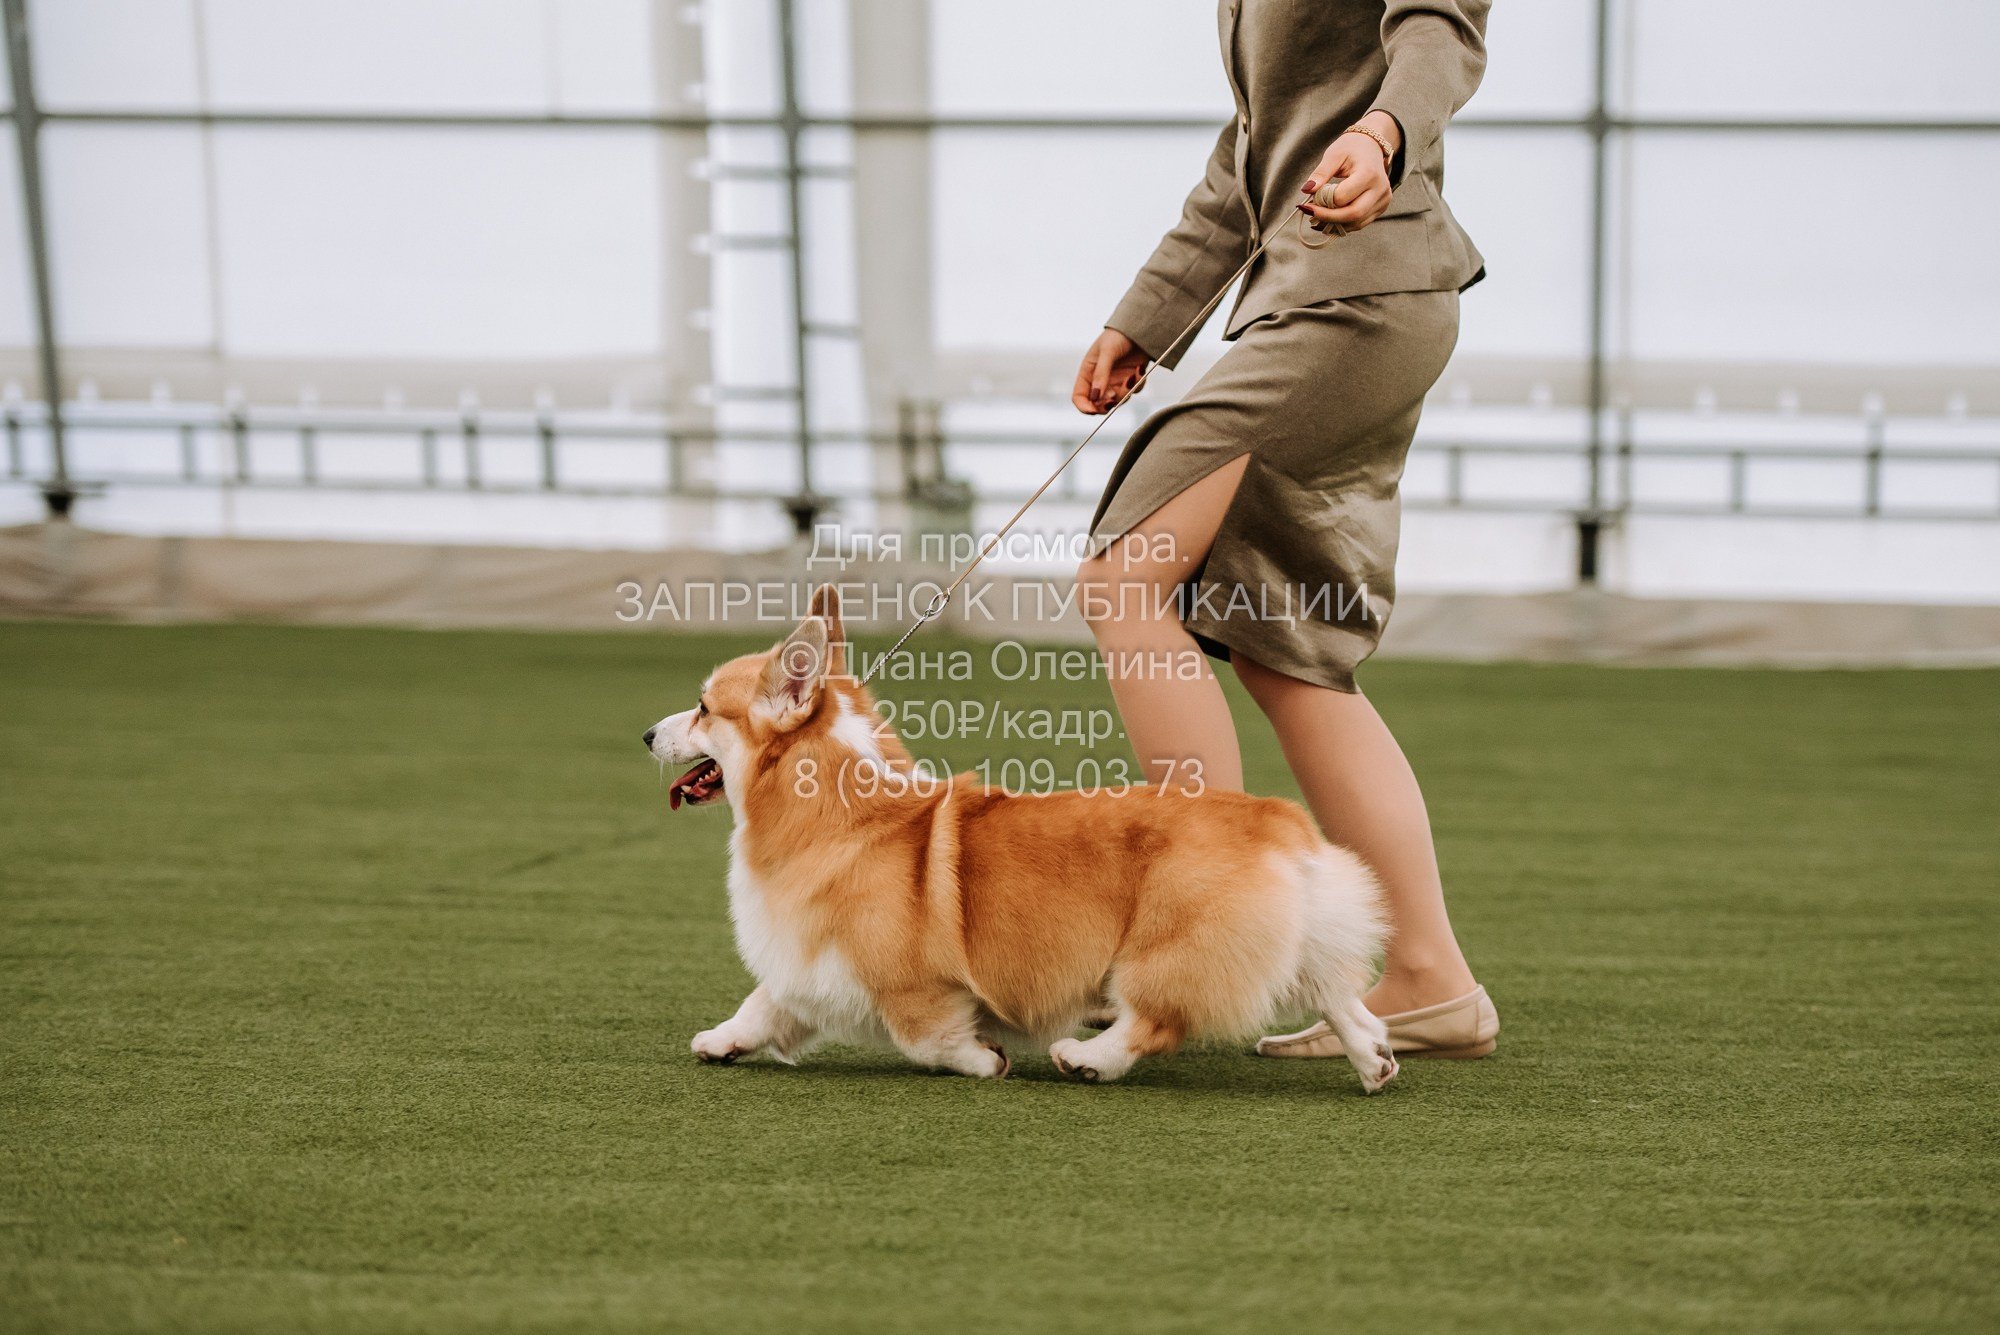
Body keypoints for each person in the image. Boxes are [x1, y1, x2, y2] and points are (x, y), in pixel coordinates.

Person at [1071, 0, 1499, 1059]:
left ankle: (1197, 938)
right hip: (1322, 301)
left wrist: (1380, 136)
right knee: (1286, 652)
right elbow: (1250, 151)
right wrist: (1147, 316)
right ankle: (1428, 980)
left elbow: (1440, 30)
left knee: (1123, 581)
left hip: (1356, 297)